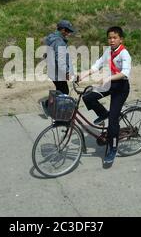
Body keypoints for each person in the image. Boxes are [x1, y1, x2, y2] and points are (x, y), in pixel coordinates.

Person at [78, 26, 132, 165]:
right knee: (87, 97)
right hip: (109, 83)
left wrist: (108, 78)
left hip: (121, 87)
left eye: (115, 38)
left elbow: (125, 72)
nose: (112, 40)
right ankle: (103, 114)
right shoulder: (109, 51)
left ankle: (113, 148)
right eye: (109, 38)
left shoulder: (124, 54)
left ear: (121, 39)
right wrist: (84, 74)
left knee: (113, 122)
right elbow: (98, 65)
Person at [41, 20, 76, 113]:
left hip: (53, 70)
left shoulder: (52, 38)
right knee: (64, 91)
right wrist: (67, 72)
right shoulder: (59, 41)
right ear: (63, 30)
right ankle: (51, 106)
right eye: (68, 31)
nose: (69, 33)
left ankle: (53, 106)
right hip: (58, 71)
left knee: (60, 90)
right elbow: (60, 60)